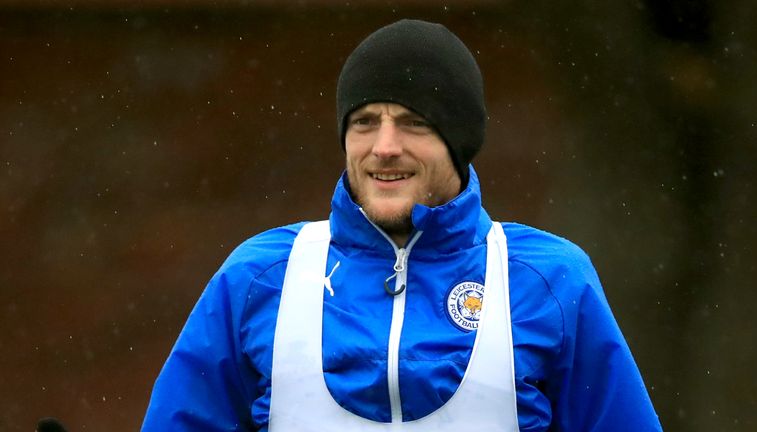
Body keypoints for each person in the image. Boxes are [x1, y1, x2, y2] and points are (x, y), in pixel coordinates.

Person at [142, 19, 662, 431]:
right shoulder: (258, 276)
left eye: (414, 122)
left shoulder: (551, 280)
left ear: (457, 143)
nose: (384, 146)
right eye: (364, 121)